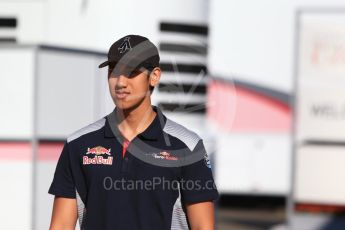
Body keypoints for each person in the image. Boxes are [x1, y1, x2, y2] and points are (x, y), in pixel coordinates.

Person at [48, 35, 219, 230]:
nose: (120, 82)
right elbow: (60, 225)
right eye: (114, 70)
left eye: (131, 72)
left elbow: (203, 227)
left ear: (154, 76)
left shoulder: (188, 146)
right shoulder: (77, 145)